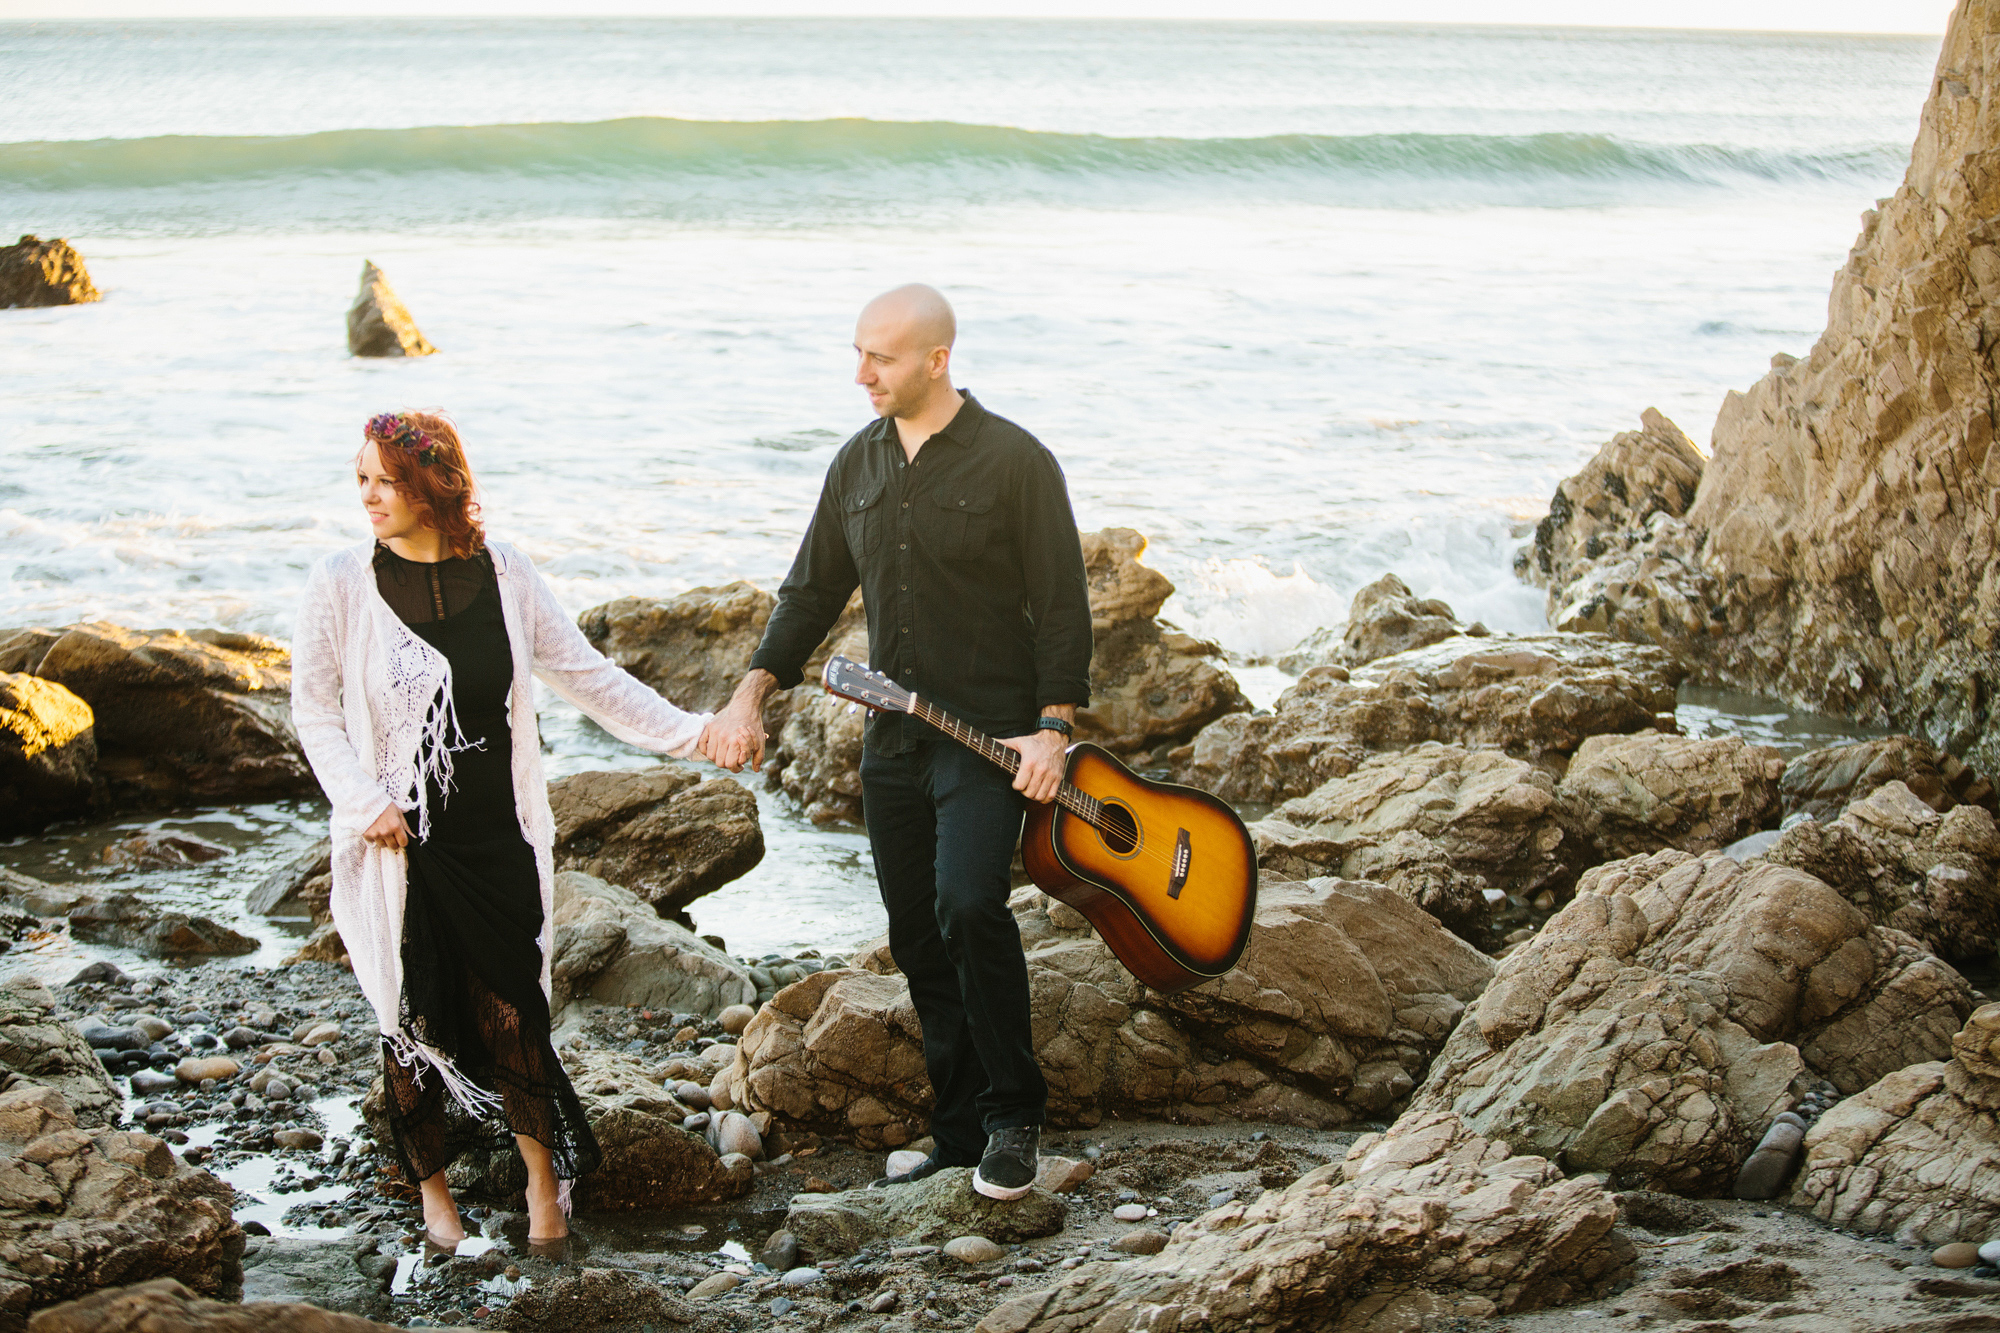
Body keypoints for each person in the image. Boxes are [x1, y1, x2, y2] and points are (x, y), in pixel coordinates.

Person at [702, 284, 1092, 1201]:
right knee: (917, 933)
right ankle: (957, 1126)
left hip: (990, 741)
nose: (862, 372)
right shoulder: (857, 465)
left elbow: (1063, 606)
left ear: (937, 360)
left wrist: (1052, 730)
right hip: (893, 745)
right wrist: (750, 693)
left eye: (879, 356)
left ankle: (1013, 1118)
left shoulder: (1015, 461)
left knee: (969, 906)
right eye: (857, 352)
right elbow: (809, 591)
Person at [292, 411, 713, 1248]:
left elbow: (586, 675)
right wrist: (361, 799)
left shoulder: (506, 573)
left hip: (499, 834)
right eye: (362, 479)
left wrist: (693, 732)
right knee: (410, 1021)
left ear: (433, 484)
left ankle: (542, 1194)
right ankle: (436, 1205)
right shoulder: (342, 581)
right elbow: (313, 706)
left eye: (387, 479)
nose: (370, 495)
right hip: (402, 844)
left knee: (516, 1010)